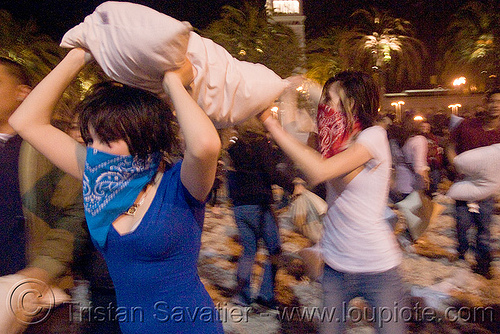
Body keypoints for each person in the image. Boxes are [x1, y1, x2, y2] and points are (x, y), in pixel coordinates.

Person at [9, 48, 223, 333]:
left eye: (107, 140)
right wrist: (80, 55)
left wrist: (172, 83)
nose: (94, 151)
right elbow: (26, 121)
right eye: (89, 139)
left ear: (143, 136)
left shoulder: (180, 183)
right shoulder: (100, 179)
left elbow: (206, 146)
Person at [260, 71, 407, 333]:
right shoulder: (331, 141)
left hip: (378, 268)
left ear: (352, 104)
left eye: (329, 99)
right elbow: (295, 137)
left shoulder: (372, 137)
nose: (324, 107)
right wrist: (291, 91)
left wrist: (271, 125)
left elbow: (320, 171)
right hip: (336, 268)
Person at [0, 56, 94, 333]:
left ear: (23, 93)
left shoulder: (50, 149)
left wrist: (42, 271)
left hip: (38, 296)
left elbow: (77, 214)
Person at [225, 119, 285, 312]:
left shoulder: (234, 147)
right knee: (274, 248)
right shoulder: (260, 144)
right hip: (258, 204)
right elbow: (271, 173)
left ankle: (242, 296)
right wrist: (294, 185)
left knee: (249, 251)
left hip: (239, 206)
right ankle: (266, 295)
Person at [447, 87, 500, 279]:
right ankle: (462, 254)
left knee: (484, 227)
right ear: (486, 103)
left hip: (486, 190)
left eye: (499, 102)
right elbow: (450, 147)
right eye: (492, 101)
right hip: (464, 185)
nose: (495, 106)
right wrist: (456, 164)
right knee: (462, 224)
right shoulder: (467, 126)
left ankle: (484, 263)